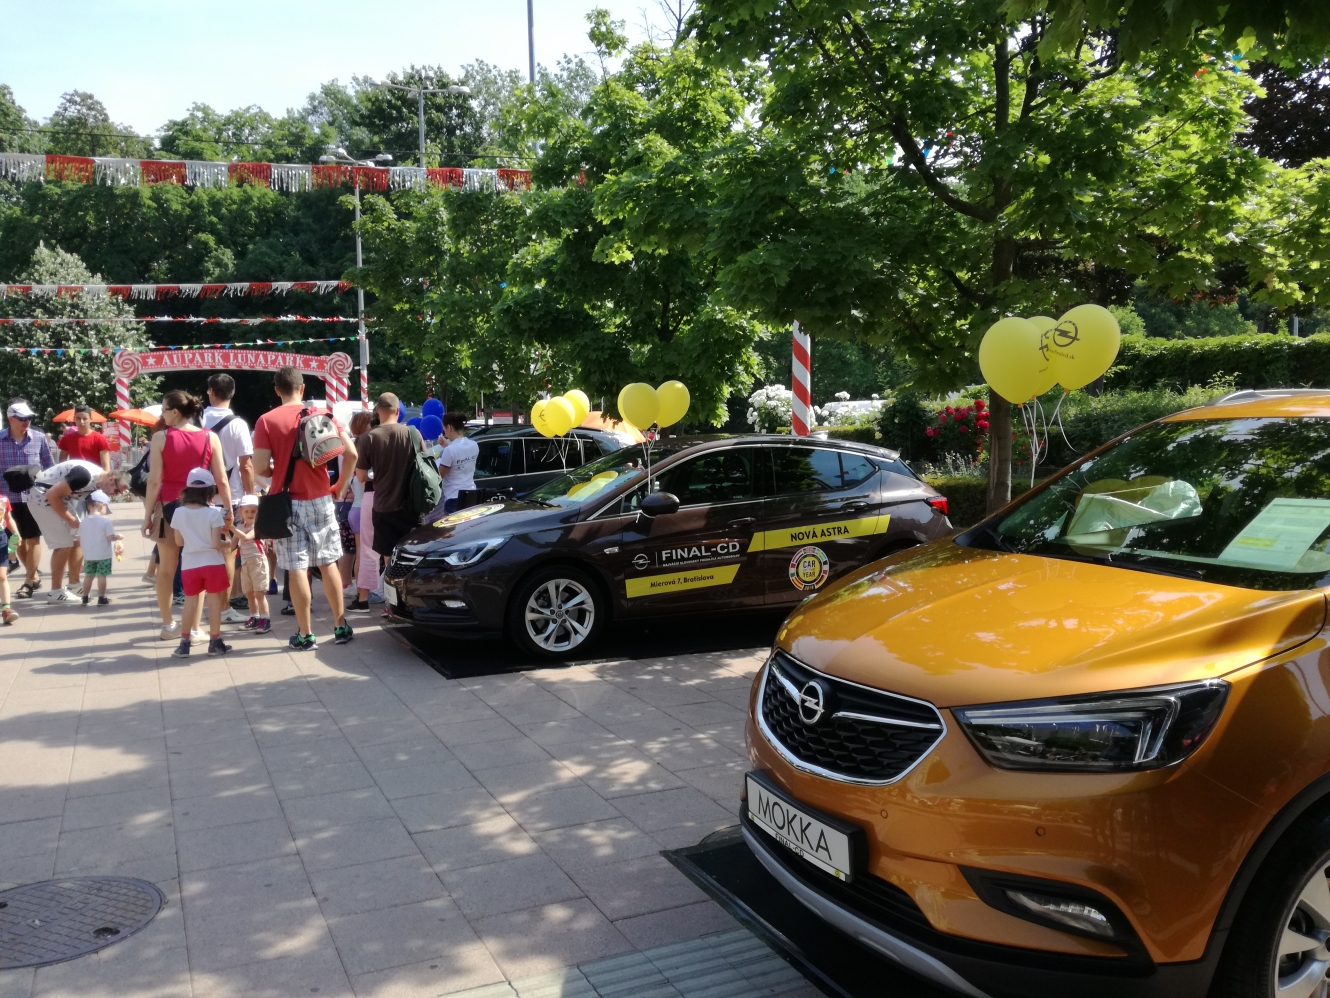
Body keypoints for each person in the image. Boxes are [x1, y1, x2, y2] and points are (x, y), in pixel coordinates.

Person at [251, 366, 357, 650]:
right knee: (328, 561)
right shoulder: (321, 414)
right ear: (302, 388)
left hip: (287, 503)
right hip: (322, 498)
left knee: (297, 567)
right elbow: (351, 453)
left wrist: (278, 469)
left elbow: (259, 467)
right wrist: (340, 486)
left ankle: (306, 634)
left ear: (277, 390)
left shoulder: (266, 421)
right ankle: (340, 626)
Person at [141, 390, 231, 640]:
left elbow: (154, 481)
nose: (162, 415)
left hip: (169, 507)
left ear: (175, 412)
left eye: (163, 410)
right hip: (202, 509)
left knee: (166, 570)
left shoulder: (160, 438)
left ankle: (168, 625)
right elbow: (222, 480)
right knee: (198, 565)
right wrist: (228, 511)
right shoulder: (210, 437)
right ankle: (194, 628)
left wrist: (147, 515)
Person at [354, 393, 422, 613]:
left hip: (383, 505)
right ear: (398, 411)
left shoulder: (369, 438)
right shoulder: (413, 433)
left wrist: (379, 475)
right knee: (412, 556)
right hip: (412, 505)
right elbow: (424, 465)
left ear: (377, 411)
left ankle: (392, 606)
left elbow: (361, 476)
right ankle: (414, 602)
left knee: (389, 560)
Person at [27, 459, 127, 601]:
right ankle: (55, 592)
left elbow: (99, 516)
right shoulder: (84, 476)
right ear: (112, 479)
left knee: (78, 538)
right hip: (41, 498)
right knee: (63, 544)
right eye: (116, 491)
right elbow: (51, 495)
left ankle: (73, 585)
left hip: (60, 499)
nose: (115, 495)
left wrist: (114, 539)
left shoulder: (100, 484)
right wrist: (70, 519)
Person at [201, 373, 255, 624]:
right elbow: (246, 465)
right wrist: (250, 496)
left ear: (210, 391)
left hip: (199, 496)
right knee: (227, 555)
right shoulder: (238, 425)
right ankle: (223, 609)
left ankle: (203, 603)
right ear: (232, 393)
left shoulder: (197, 420)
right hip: (229, 499)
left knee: (202, 552)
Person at [169, 468, 232, 658]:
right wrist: (228, 543)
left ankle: (184, 644)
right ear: (210, 491)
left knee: (190, 602)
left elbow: (179, 542)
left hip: (190, 564)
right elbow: (216, 544)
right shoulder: (213, 513)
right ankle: (215, 642)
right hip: (212, 563)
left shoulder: (178, 512)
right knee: (214, 603)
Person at [0, 399, 54, 598]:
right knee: (17, 540)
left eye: (29, 417)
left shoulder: (39, 438)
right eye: (22, 418)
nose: (27, 421)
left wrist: (52, 492)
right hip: (7, 499)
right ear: (11, 418)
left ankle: (29, 581)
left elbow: (50, 466)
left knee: (33, 538)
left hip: (34, 497)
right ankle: (34, 576)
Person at [229, 494, 270, 633]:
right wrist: (226, 533)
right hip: (245, 563)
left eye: (253, 511)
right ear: (241, 512)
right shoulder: (240, 527)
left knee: (259, 593)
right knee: (249, 594)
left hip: (258, 562)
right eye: (246, 511)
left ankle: (265, 619)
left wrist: (232, 528)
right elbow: (232, 545)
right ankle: (254, 617)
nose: (249, 514)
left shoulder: (258, 526)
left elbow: (246, 538)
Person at [77, 489, 123, 605]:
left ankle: (85, 597)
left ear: (89, 506)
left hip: (89, 556)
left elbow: (79, 539)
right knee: (102, 576)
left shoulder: (83, 522)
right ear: (103, 505)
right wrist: (119, 537)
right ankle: (102, 597)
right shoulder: (105, 522)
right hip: (103, 555)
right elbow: (110, 538)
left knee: (89, 576)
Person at [438, 411, 478, 514]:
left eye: (444, 428)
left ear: (449, 427)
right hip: (472, 494)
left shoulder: (450, 450)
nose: (444, 431)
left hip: (454, 497)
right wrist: (447, 446)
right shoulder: (474, 445)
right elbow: (459, 454)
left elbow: (439, 476)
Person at [57, 405, 112, 471]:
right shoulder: (67, 439)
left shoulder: (100, 438)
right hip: (74, 475)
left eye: (85, 419)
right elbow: (61, 465)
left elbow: (106, 466)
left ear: (91, 419)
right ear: (74, 419)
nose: (81, 422)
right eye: (78, 418)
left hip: (96, 476)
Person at [0, 489, 18, 624]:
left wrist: (16, 534)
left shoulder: (3, 499)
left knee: (2, 576)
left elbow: (8, 518)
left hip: (1, 539)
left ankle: (6, 609)